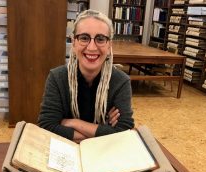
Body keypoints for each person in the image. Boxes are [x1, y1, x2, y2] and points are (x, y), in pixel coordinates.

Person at [38, 9, 134, 143]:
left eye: (100, 39)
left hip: (104, 153)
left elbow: (124, 132)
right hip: (65, 151)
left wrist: (73, 123)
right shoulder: (57, 78)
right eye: (84, 38)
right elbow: (47, 126)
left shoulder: (121, 81)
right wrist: (104, 130)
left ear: (109, 45)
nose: (92, 47)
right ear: (74, 42)